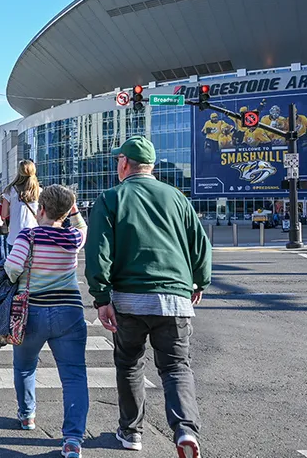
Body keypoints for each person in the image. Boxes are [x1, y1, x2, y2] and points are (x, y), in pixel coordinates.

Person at [85, 136, 211, 457]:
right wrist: (198, 283)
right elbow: (200, 246)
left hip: (129, 299)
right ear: (151, 166)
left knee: (129, 364)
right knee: (176, 367)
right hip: (175, 298)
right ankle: (185, 430)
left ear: (125, 163)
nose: (117, 165)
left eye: (118, 161)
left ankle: (131, 432)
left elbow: (98, 252)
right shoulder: (178, 198)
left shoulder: (111, 198)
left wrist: (101, 298)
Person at [5, 185, 89, 457]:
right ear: (66, 212)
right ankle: (73, 439)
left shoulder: (28, 237)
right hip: (69, 313)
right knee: (74, 376)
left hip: (33, 312)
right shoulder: (73, 238)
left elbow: (14, 268)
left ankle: (27, 414)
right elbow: (83, 228)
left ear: (40, 209)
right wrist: (73, 211)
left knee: (25, 366)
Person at [2, 160, 41, 251]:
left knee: (15, 264)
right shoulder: (39, 191)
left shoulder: (10, 190)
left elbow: (4, 214)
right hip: (34, 236)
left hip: (15, 236)